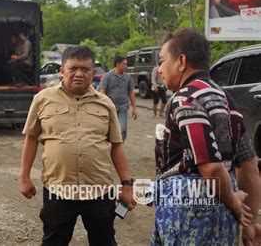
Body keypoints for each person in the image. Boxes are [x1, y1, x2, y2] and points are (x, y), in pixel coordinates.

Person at [19, 45, 135, 246]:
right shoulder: (43, 99)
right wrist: (24, 177)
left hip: (99, 190)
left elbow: (117, 146)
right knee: (54, 240)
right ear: (62, 70)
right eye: (73, 68)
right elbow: (31, 138)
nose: (79, 74)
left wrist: (126, 185)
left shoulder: (105, 103)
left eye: (86, 69)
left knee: (104, 240)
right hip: (58, 189)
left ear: (94, 73)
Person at [152, 27, 253, 245]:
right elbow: (248, 164)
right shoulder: (228, 100)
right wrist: (249, 222)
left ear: (181, 61)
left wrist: (235, 203)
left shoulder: (186, 99)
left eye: (161, 61)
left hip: (189, 207)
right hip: (223, 210)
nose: (159, 69)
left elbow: (210, 166)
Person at [98, 55, 137, 141]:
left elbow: (131, 93)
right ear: (117, 64)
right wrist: (103, 105)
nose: (126, 66)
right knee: (109, 130)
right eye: (124, 64)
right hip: (110, 108)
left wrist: (134, 108)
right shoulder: (107, 76)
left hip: (123, 107)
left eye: (126, 64)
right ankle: (110, 146)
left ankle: (119, 147)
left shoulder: (128, 77)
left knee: (123, 129)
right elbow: (102, 90)